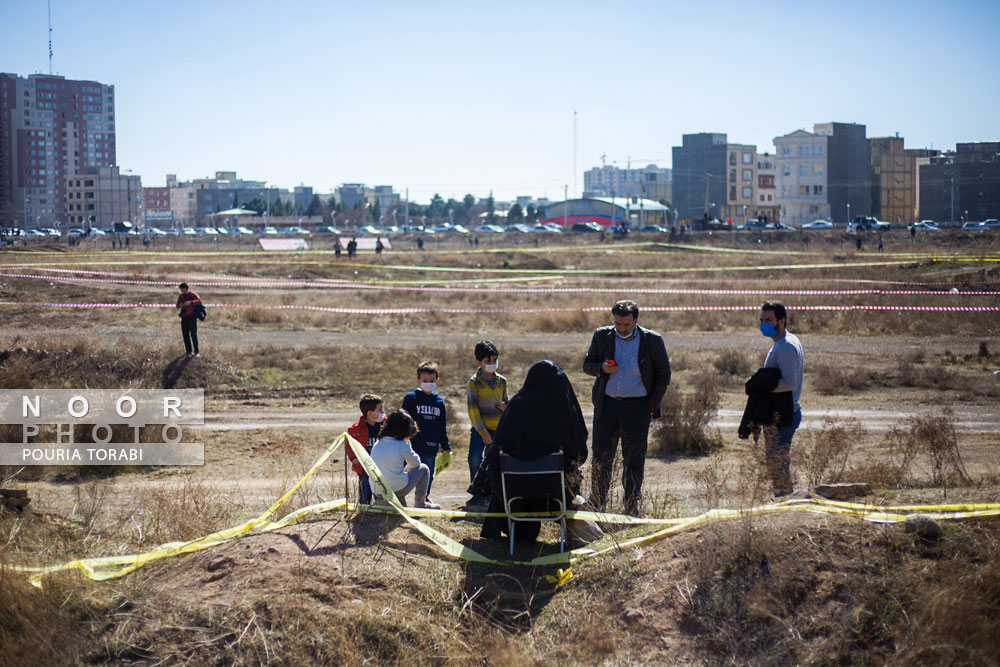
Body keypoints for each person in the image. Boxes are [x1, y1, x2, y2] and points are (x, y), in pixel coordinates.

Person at [480, 360, 589, 542]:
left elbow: (495, 452)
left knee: (499, 468)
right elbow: (579, 452)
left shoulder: (516, 405)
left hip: (514, 490)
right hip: (556, 492)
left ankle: (511, 529)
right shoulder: (564, 409)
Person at [583, 300, 670, 516]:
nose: (622, 329)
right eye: (618, 324)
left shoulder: (652, 340)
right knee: (602, 457)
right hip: (607, 406)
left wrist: (650, 404)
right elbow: (587, 364)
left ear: (636, 321)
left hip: (638, 408)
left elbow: (663, 374)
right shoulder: (602, 336)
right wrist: (601, 368)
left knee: (634, 458)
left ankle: (631, 504)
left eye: (626, 325)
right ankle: (598, 502)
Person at [758, 301, 804, 496]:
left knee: (778, 461)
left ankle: (785, 499)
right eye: (761, 320)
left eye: (768, 320)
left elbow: (789, 383)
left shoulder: (785, 346)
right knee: (777, 460)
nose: (764, 324)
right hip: (781, 412)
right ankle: (784, 497)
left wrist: (763, 387)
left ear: (781, 321)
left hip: (783, 414)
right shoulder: (784, 342)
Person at [401, 361, 451, 503]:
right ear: (418, 380)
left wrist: (446, 445)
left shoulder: (439, 402)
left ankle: (423, 499)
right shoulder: (411, 398)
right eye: (425, 381)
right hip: (412, 445)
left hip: (431, 445)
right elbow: (402, 420)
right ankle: (399, 498)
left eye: (432, 381)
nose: (428, 383)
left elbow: (442, 426)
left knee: (428, 473)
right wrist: (402, 438)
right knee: (406, 472)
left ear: (437, 380)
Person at [368, 409, 439, 509]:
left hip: (377, 490)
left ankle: (383, 502)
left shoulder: (377, 443)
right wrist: (408, 446)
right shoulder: (402, 444)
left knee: (401, 506)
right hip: (397, 489)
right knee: (424, 468)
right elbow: (416, 463)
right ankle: (421, 504)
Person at [465, 340, 508, 505]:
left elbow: (506, 402)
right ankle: (477, 493)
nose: (492, 364)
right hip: (480, 429)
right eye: (488, 361)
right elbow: (473, 409)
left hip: (498, 429)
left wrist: (504, 407)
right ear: (479, 362)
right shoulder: (473, 383)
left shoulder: (502, 381)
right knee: (474, 458)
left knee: (493, 462)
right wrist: (482, 432)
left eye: (494, 360)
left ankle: (491, 493)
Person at [346, 393, 385, 505]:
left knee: (380, 495)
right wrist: (354, 459)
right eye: (379, 409)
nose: (382, 412)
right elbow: (350, 446)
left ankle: (380, 512)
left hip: (380, 468)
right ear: (369, 413)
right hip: (364, 469)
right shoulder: (356, 429)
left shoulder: (386, 426)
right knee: (364, 495)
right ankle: (364, 514)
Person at [175, 282, 202, 357]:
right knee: (185, 334)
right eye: (181, 290)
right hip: (184, 317)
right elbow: (177, 306)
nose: (182, 291)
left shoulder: (192, 294)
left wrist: (190, 303)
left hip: (192, 317)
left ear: (186, 289)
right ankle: (188, 351)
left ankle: (196, 351)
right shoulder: (181, 296)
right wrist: (180, 305)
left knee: (193, 334)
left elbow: (199, 301)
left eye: (183, 290)